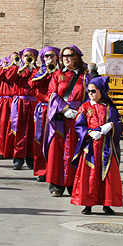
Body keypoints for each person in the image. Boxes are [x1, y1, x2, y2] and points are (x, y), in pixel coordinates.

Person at [71, 76, 123, 215]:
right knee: (90, 177)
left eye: (93, 91)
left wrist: (110, 126)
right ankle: (88, 205)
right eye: (89, 91)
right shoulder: (85, 107)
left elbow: (119, 124)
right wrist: (89, 133)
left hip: (107, 148)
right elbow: (79, 125)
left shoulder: (110, 107)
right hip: (91, 148)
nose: (90, 94)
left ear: (101, 91)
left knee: (107, 177)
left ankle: (107, 204)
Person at [44, 45, 90, 196]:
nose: (65, 59)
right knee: (57, 152)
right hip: (60, 119)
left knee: (75, 152)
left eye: (69, 56)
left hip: (78, 119)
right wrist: (64, 109)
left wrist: (81, 112)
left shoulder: (85, 77)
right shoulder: (57, 75)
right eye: (63, 56)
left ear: (76, 57)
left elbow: (90, 97)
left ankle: (73, 185)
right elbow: (52, 94)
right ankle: (56, 185)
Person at [29, 46, 59, 181]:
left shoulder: (61, 72)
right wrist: (44, 72)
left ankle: (54, 170)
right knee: (40, 140)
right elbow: (31, 85)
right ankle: (41, 170)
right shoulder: (38, 71)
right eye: (46, 56)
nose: (49, 58)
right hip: (43, 109)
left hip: (57, 110)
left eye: (51, 56)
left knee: (55, 142)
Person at [7, 48, 39, 170]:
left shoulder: (37, 70)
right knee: (19, 131)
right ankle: (18, 158)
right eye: (26, 56)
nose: (28, 58)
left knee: (32, 132)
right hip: (19, 102)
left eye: (31, 56)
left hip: (33, 103)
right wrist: (19, 69)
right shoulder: (16, 69)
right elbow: (8, 78)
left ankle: (31, 158)